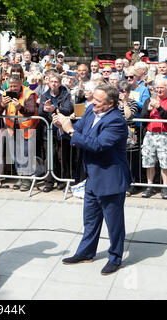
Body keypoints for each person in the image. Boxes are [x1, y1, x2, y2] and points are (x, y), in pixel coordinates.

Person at [53, 84, 131, 275]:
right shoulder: (90, 111)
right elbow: (78, 130)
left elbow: (97, 145)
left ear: (110, 103)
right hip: (92, 177)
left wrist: (70, 130)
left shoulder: (116, 121)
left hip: (110, 179)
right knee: (90, 219)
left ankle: (115, 258)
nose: (92, 103)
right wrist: (61, 127)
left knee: (114, 224)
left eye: (97, 101)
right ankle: (86, 252)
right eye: (92, 99)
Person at [0, 74, 38, 192]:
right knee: (16, 154)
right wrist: (2, 104)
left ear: (20, 84)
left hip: (26, 129)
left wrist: (20, 107)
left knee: (25, 154)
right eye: (11, 86)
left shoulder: (29, 93)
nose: (13, 89)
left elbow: (31, 110)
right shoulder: (5, 94)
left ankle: (27, 179)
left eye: (15, 86)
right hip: (12, 129)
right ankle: (20, 176)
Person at [39, 72, 74, 192]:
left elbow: (69, 109)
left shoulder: (65, 94)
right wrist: (44, 109)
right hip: (48, 131)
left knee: (61, 156)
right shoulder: (45, 95)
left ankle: (62, 180)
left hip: (62, 130)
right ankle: (48, 182)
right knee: (49, 157)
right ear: (48, 83)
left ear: (59, 83)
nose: (53, 84)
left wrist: (55, 108)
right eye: (51, 81)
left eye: (56, 82)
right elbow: (40, 113)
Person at [140, 77, 167, 199]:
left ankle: (165, 188)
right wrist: (148, 109)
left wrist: (159, 108)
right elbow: (143, 119)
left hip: (164, 135)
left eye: (162, 87)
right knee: (148, 161)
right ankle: (149, 186)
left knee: (164, 163)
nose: (159, 90)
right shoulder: (148, 100)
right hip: (150, 134)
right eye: (158, 87)